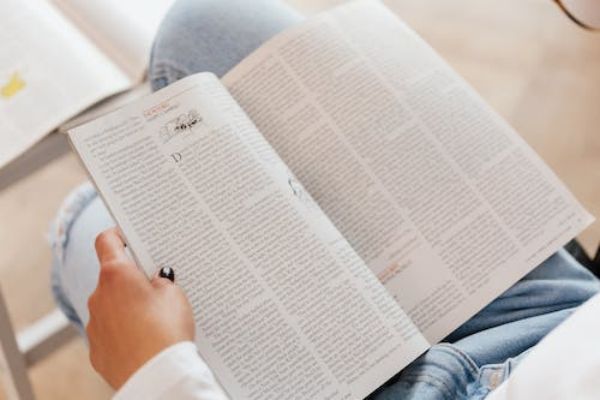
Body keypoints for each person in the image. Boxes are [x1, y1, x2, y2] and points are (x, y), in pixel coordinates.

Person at [50, 1, 600, 399]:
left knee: (82, 227)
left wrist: (158, 373)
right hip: (563, 324)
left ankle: (101, 215)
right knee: (205, 23)